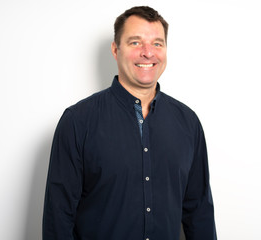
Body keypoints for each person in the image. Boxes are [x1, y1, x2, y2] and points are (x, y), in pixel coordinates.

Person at [43, 6, 217, 240]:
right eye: (136, 42)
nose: (148, 53)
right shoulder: (77, 121)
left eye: (157, 43)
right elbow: (58, 217)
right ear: (116, 50)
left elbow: (199, 212)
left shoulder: (188, 123)